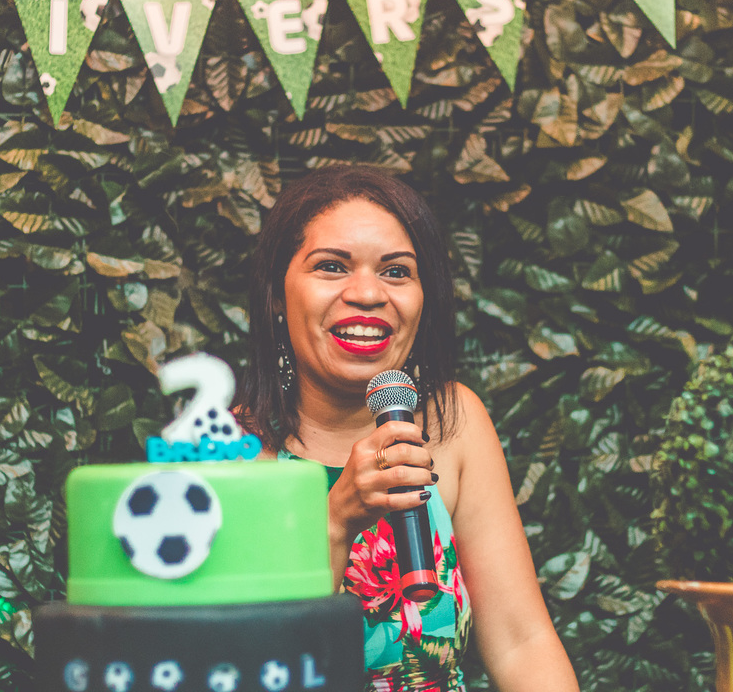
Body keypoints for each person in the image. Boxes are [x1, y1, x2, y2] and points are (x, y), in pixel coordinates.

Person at [234, 166, 579, 691]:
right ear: (277, 297)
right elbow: (248, 673)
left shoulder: (454, 422)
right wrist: (334, 524)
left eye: (397, 271)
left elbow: (521, 642)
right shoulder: (225, 455)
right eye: (331, 267)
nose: (369, 294)